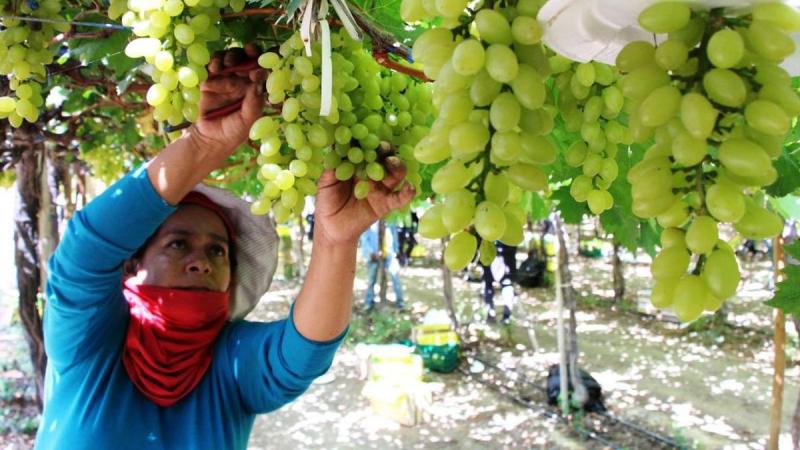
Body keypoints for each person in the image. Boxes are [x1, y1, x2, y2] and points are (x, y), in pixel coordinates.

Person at [34, 48, 414, 450]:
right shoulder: (90, 342)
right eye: (177, 244)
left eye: (218, 251)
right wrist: (200, 147)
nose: (201, 262)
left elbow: (301, 355)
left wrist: (336, 242)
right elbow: (81, 257)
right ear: (132, 264)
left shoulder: (229, 361)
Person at [359, 221, 405, 311]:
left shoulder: (390, 220)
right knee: (371, 280)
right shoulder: (370, 221)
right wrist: (370, 253)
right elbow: (364, 238)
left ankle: (400, 302)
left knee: (395, 277)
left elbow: (394, 235)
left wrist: (396, 250)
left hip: (389, 254)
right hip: (374, 255)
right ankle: (369, 303)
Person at [480, 241, 518, 324]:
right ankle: (492, 314)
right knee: (489, 287)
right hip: (494, 258)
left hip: (504, 259)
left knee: (507, 288)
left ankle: (504, 316)